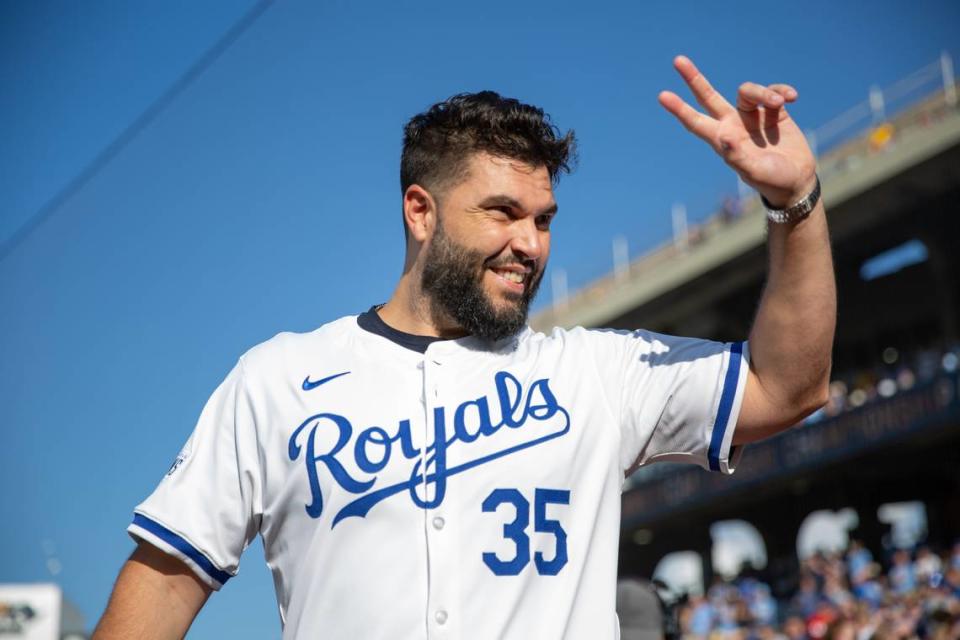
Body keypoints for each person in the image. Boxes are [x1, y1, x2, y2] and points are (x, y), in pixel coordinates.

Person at [93, 56, 835, 639]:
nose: (530, 244)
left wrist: (794, 202)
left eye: (543, 219)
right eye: (503, 212)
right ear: (421, 211)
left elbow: (787, 386)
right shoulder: (278, 379)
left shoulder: (592, 374)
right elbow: (163, 580)